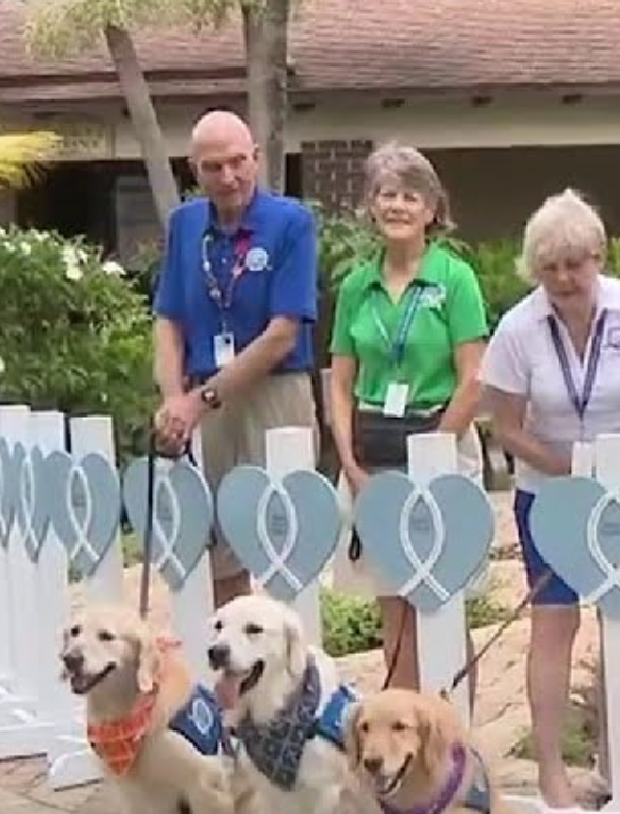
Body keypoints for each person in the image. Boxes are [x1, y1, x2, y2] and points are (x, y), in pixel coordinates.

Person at [477, 191, 620, 809]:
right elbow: (506, 425)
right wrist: (571, 468)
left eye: (576, 263)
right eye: (550, 268)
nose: (565, 279)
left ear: (598, 256)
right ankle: (551, 775)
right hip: (551, 494)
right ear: (534, 269)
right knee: (554, 623)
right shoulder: (518, 327)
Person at [325, 143, 489, 690]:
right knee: (392, 596)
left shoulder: (455, 279)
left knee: (441, 595)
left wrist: (436, 450)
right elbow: (341, 383)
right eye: (386, 194)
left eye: (410, 195)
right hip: (373, 451)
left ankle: (450, 726)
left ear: (432, 209)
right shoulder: (355, 286)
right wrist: (349, 463)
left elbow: (474, 377)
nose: (397, 205)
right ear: (371, 206)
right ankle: (400, 722)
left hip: (441, 438)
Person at [149, 110, 320, 609]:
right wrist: (173, 400)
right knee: (221, 541)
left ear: (257, 159)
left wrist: (197, 402)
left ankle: (292, 663)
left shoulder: (290, 222)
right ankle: (233, 670)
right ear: (193, 169)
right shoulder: (185, 226)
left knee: (286, 529)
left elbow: (282, 334)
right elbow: (168, 319)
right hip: (205, 397)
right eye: (212, 167)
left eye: (238, 162)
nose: (228, 177)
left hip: (274, 390)